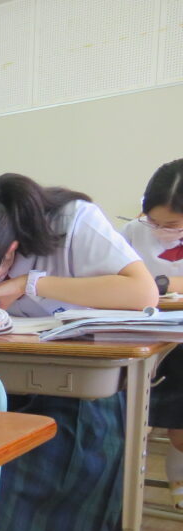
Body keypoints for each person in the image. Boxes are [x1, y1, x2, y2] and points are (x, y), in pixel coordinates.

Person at [0, 176, 157, 531]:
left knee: (8, 482)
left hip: (81, 398)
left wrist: (29, 284)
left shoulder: (72, 222)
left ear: (10, 250)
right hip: (4, 388)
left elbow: (143, 291)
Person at [121, 159, 183, 509]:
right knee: (126, 413)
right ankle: (125, 488)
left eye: (171, 224)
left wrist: (160, 283)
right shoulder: (133, 231)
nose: (160, 230)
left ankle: (178, 477)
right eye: (153, 221)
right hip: (143, 330)